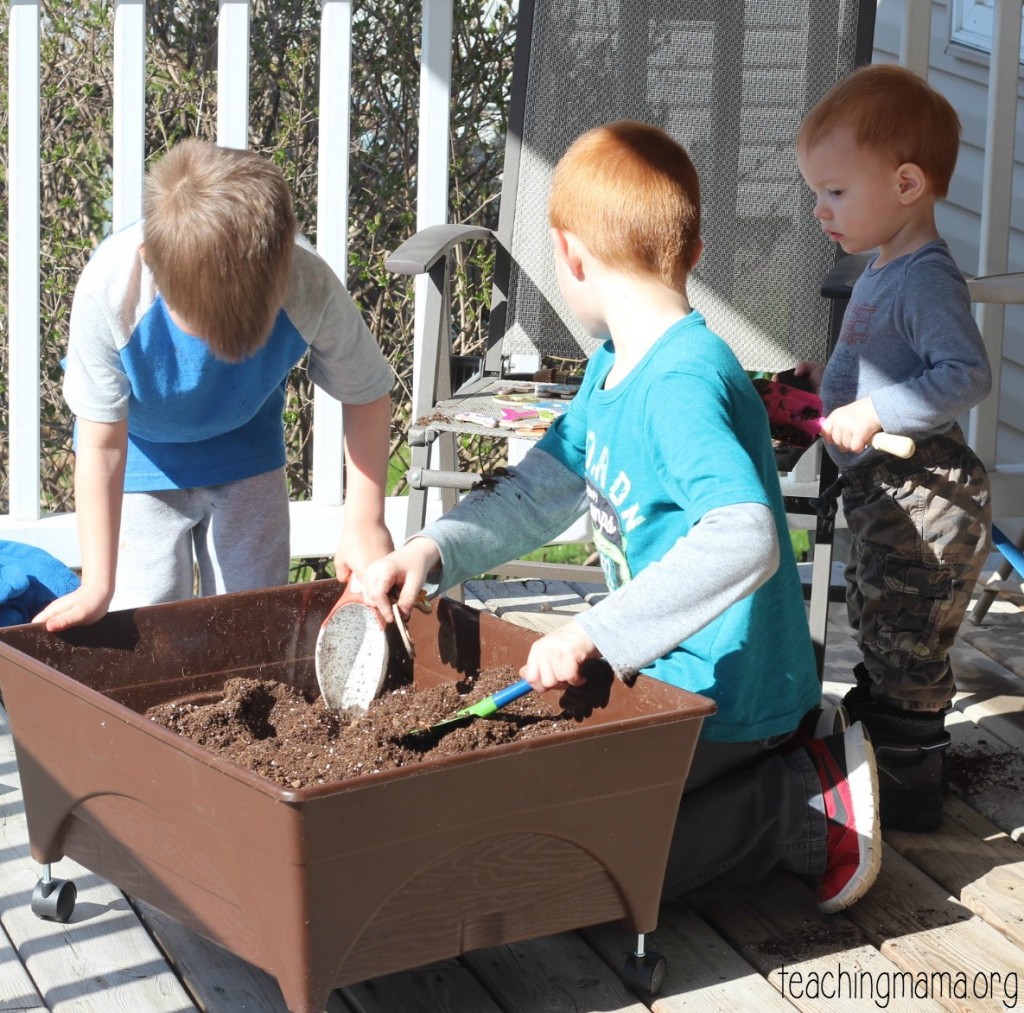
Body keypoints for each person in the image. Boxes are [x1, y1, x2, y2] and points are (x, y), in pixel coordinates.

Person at [363, 120, 882, 913]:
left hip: (730, 697)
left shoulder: (680, 382)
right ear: (695, 249)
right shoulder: (613, 367)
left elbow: (745, 535)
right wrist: (433, 550)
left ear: (570, 255)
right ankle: (755, 789)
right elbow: (541, 490)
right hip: (659, 677)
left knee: (585, 870)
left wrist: (593, 629)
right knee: (546, 815)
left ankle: (798, 805)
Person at [34, 139, 395, 632]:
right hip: (141, 457)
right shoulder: (111, 290)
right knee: (148, 618)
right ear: (152, 264)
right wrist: (98, 583)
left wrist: (365, 521)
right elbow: (100, 446)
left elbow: (367, 393)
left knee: (254, 616)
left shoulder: (307, 282)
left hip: (247, 450)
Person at [793, 64, 992, 832]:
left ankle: (906, 794)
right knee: (880, 623)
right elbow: (877, 358)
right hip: (888, 491)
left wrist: (873, 409)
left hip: (929, 496)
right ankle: (876, 758)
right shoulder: (883, 267)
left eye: (835, 192)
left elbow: (964, 374)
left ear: (907, 184)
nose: (820, 209)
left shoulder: (925, 280)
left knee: (908, 641)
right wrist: (829, 381)